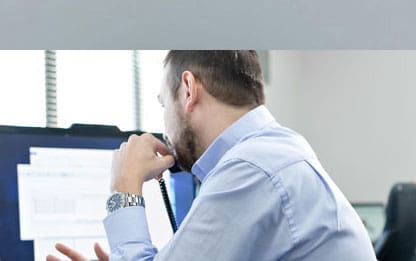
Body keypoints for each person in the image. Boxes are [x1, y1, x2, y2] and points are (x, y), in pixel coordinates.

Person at [47, 51, 377, 261]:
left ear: (188, 90)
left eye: (164, 104)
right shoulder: (275, 150)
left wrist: (124, 189)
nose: (164, 126)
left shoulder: (252, 168)